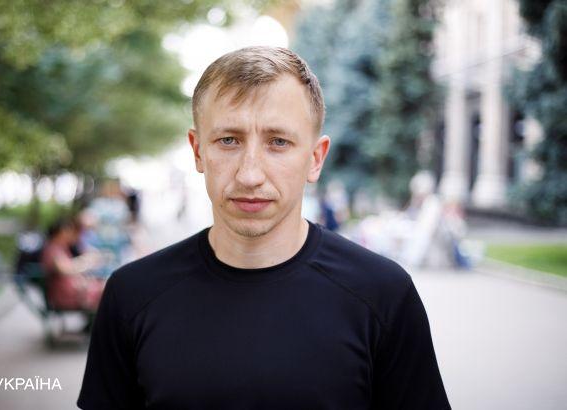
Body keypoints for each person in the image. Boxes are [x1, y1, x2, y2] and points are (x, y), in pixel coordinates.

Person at [78, 46, 451, 409]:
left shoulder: (383, 295)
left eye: (278, 142)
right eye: (228, 140)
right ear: (198, 151)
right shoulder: (131, 295)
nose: (250, 174)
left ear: (315, 158)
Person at [41, 217, 105, 319]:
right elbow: (65, 270)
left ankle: (94, 323)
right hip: (66, 294)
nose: (70, 233)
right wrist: (85, 262)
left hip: (73, 289)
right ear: (60, 232)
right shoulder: (53, 249)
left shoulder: (60, 247)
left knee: (107, 287)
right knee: (106, 289)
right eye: (68, 230)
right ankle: (95, 323)